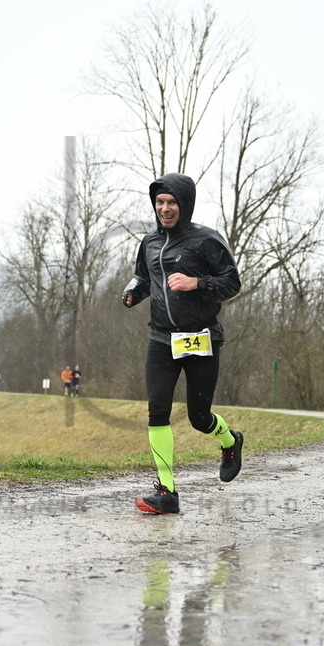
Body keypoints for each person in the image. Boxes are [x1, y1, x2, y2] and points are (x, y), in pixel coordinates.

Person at [122, 172, 244, 514]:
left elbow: (232, 283)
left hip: (200, 337)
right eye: (159, 202)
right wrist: (133, 293)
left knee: (199, 417)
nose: (165, 208)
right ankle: (167, 492)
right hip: (161, 338)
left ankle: (230, 441)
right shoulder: (149, 242)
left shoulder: (206, 240)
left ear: (184, 204)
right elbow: (144, 277)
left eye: (172, 202)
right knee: (157, 411)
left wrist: (197, 283)